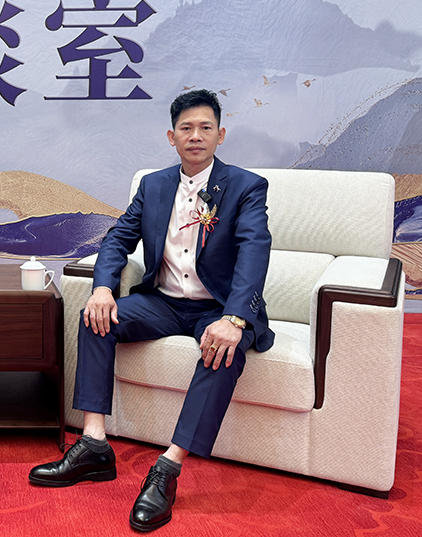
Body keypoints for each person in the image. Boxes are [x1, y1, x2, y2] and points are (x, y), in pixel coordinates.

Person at [28, 89, 273, 532]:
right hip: (163, 302)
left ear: (220, 134)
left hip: (218, 307)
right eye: (186, 128)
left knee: (224, 349)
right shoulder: (153, 185)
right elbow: (118, 239)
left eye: (205, 127)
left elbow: (254, 251)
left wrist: (235, 318)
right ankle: (94, 444)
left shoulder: (246, 187)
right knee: (96, 319)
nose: (195, 136)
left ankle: (167, 468)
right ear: (171, 136)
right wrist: (103, 289)